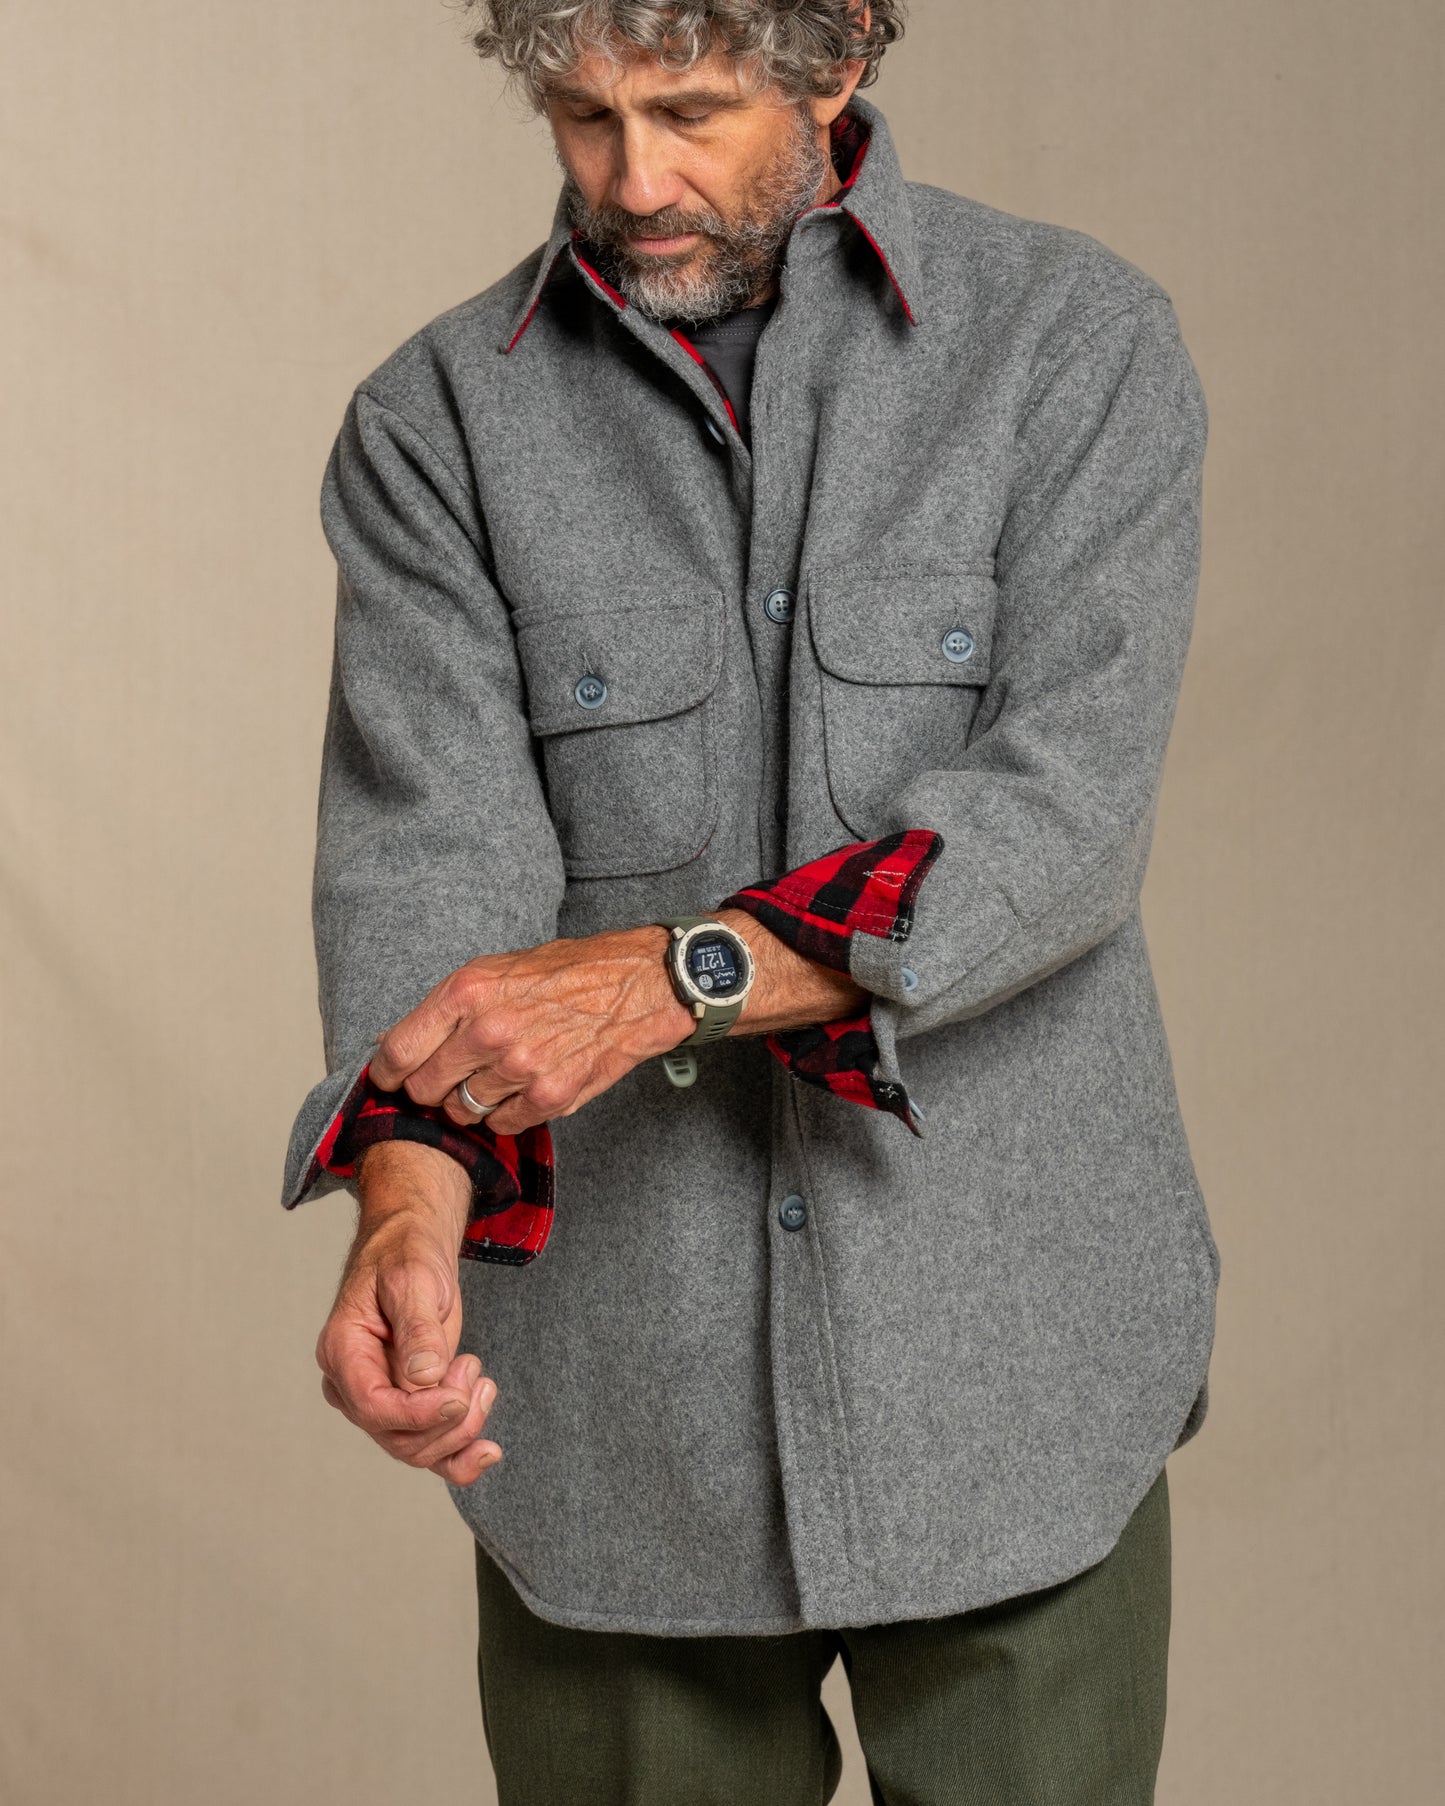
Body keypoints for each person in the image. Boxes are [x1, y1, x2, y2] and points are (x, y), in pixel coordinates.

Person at [281, 1, 1220, 1798]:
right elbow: (425, 866)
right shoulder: (435, 425)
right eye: (580, 118)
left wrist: (676, 973)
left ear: (840, 55)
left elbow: (1065, 810)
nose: (634, 181)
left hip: (1014, 1370)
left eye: (692, 112)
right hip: (619, 1423)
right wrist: (402, 1212)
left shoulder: (1071, 343)